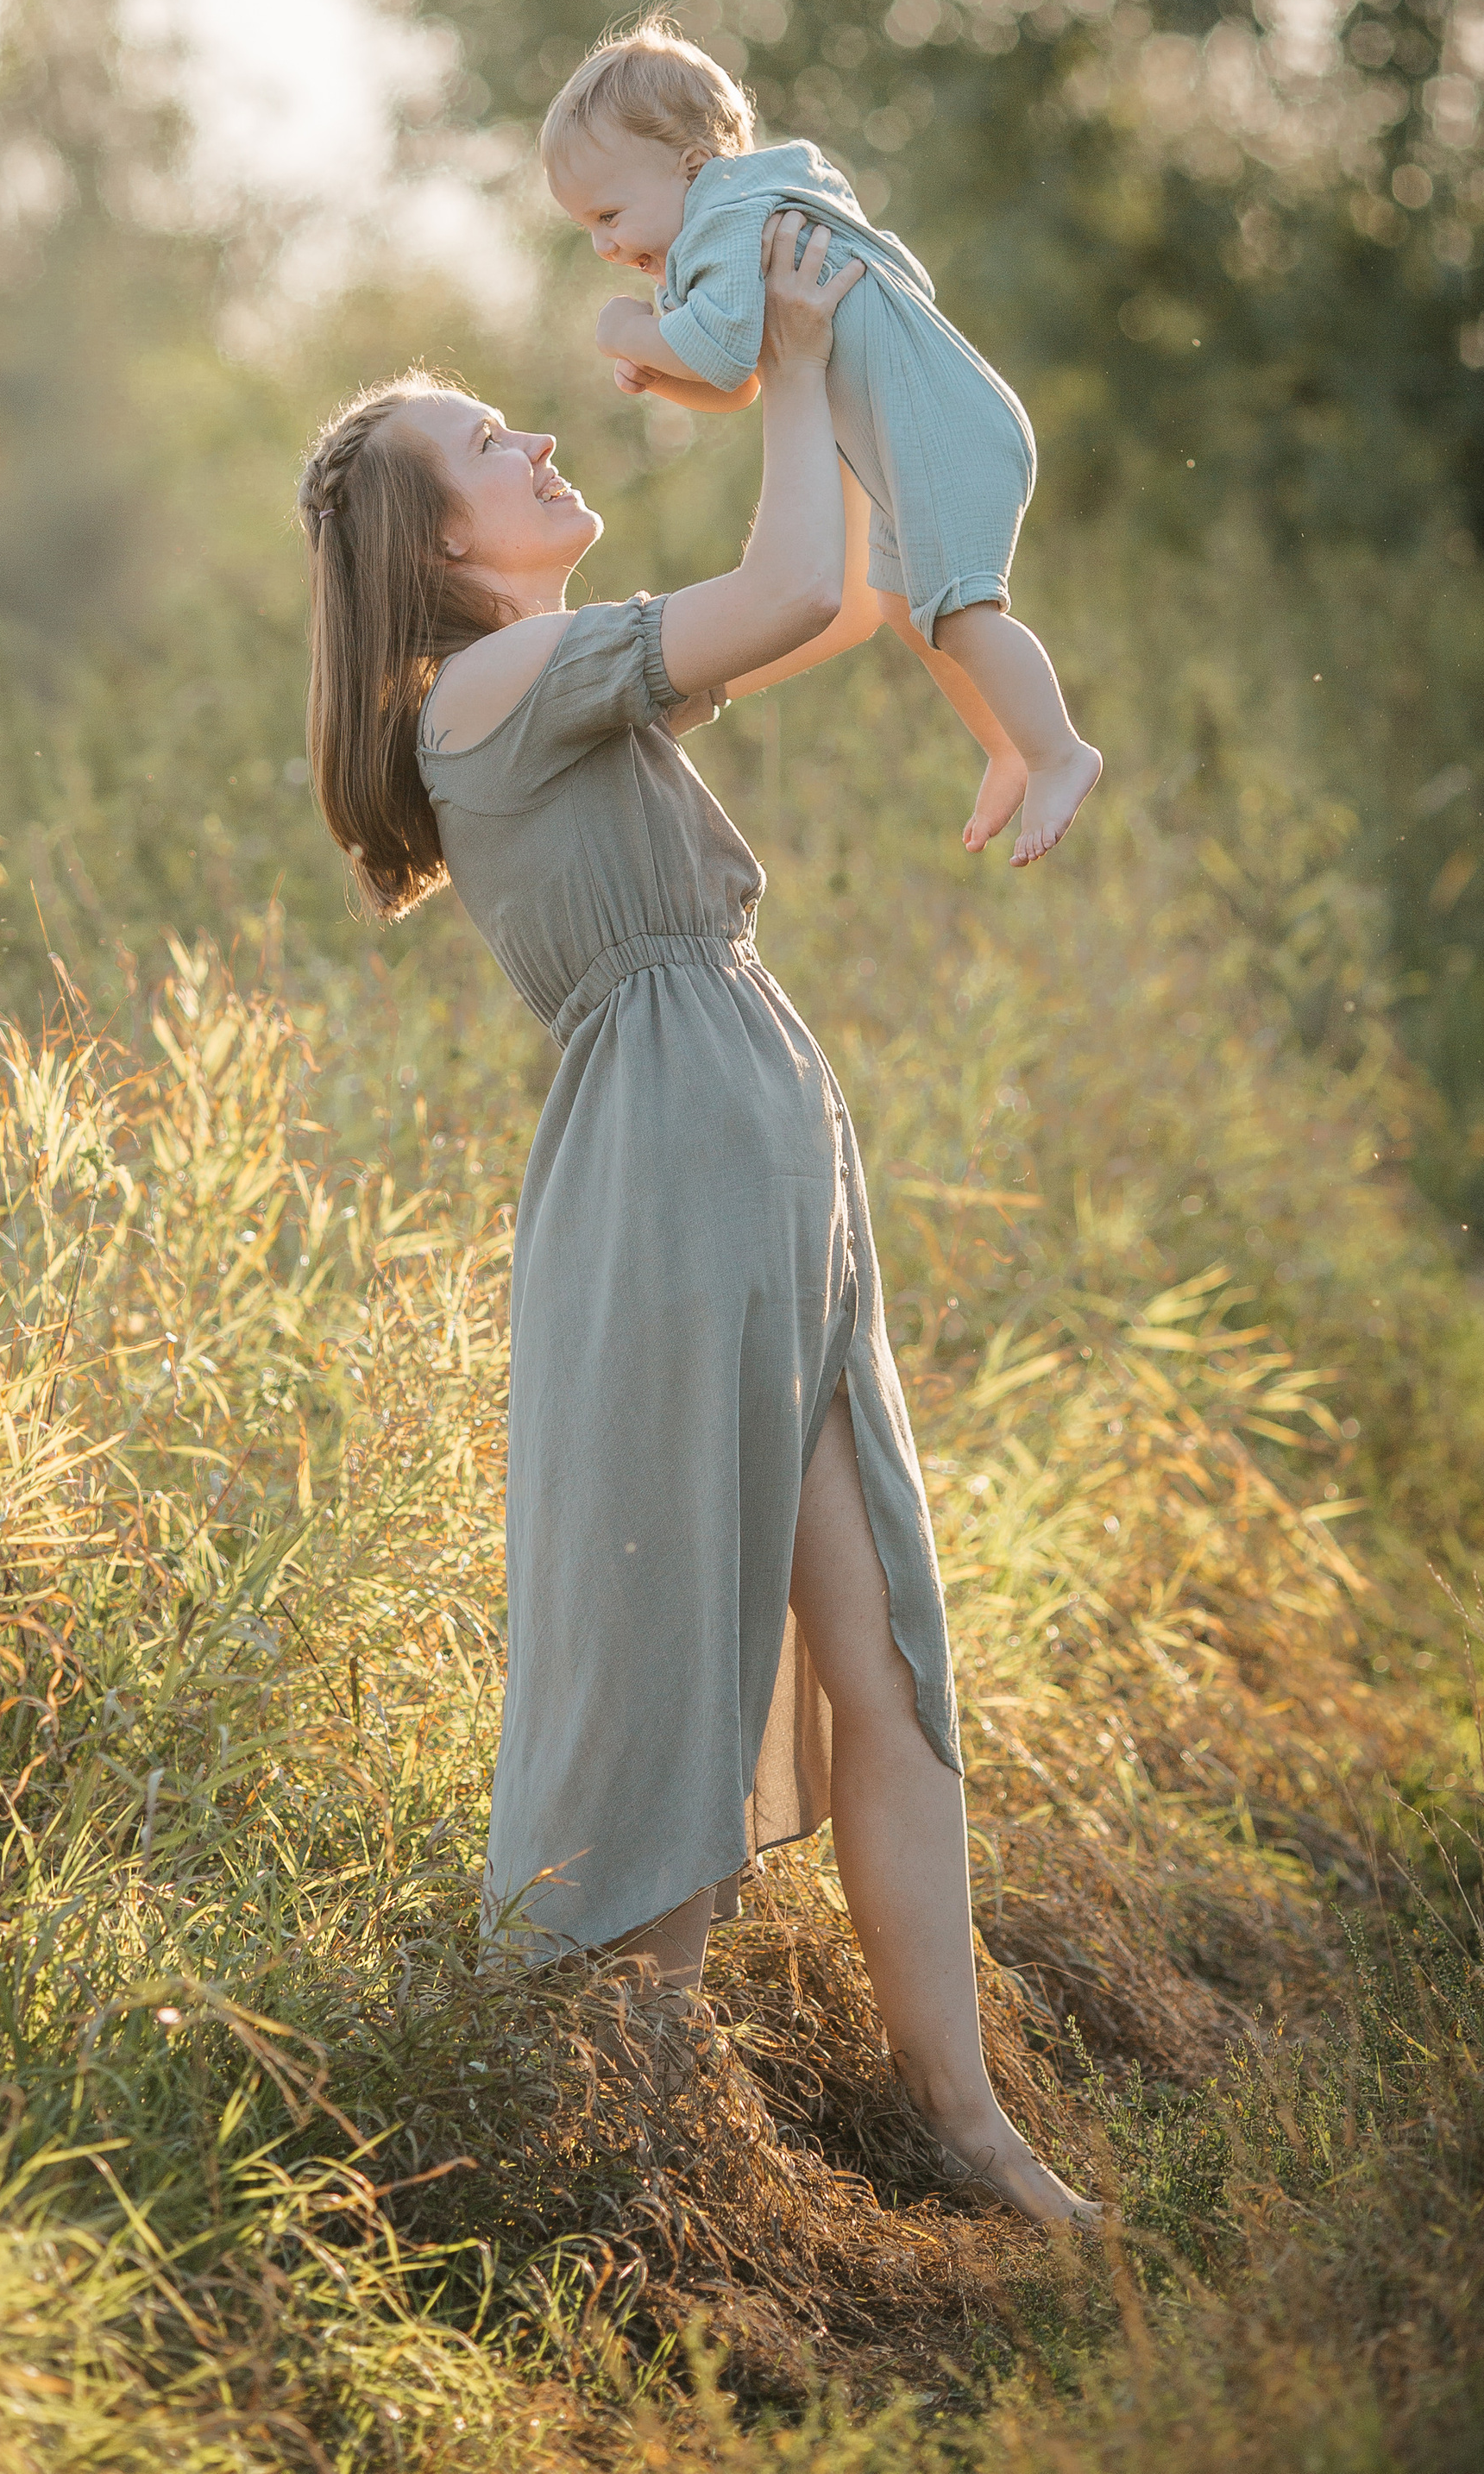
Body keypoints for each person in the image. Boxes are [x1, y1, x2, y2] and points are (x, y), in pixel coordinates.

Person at [295, 211, 1094, 2223]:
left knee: (880, 1659)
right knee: (670, 1661)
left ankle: (964, 2124)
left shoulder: (550, 666)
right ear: (435, 534)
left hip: (754, 1140)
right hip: (666, 1183)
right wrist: (791, 365)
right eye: (495, 442)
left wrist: (836, 372)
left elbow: (836, 599)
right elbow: (785, 581)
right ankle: (644, 2179)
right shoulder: (488, 686)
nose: (540, 442)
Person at [542, 11, 1101, 871]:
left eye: (610, 214)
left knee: (960, 607)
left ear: (689, 166)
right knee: (911, 613)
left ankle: (1060, 749)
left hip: (942, 435)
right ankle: (1008, 745)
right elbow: (743, 379)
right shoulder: (742, 214)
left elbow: (723, 354)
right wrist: (667, 373)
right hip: (914, 438)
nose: (605, 244)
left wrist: (628, 332)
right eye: (588, 227)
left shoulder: (728, 218)